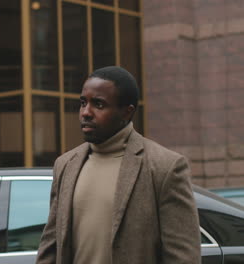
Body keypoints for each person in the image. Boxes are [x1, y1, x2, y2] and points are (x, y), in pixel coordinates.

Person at [36, 66, 201, 264]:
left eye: (98, 104)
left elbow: (183, 257)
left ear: (127, 112)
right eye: (83, 103)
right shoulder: (65, 165)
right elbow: (50, 246)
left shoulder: (165, 167)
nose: (86, 112)